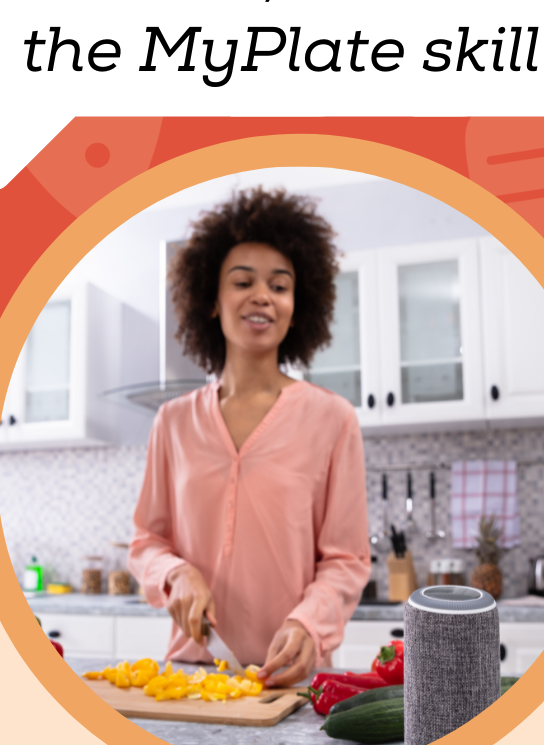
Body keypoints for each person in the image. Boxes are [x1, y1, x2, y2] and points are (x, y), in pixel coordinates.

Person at [128, 187, 371, 688]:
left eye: (280, 287)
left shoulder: (333, 419)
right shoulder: (172, 423)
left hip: (291, 680)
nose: (263, 295)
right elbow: (147, 543)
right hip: (193, 675)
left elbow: (346, 561)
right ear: (212, 301)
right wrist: (174, 573)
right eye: (243, 282)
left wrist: (310, 623)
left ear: (296, 306)